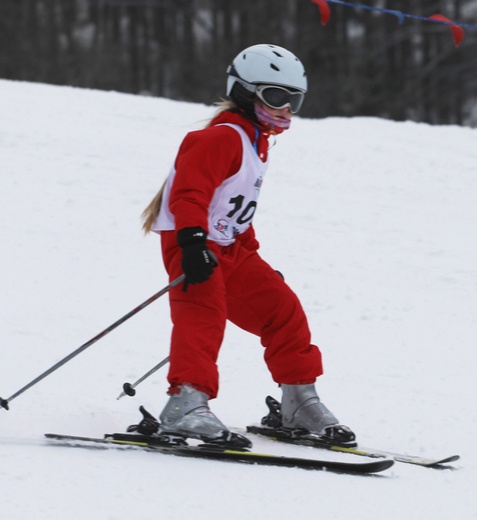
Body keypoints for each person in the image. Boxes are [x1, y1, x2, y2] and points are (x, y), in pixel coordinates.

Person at [140, 44, 355, 448]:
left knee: (283, 309)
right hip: (194, 245)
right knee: (203, 315)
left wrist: (254, 258)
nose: (286, 108)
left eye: (295, 100)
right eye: (276, 96)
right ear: (244, 91)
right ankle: (185, 404)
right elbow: (188, 194)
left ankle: (298, 402)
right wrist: (191, 241)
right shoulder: (220, 138)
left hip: (231, 250)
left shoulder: (255, 141)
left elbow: (236, 210)